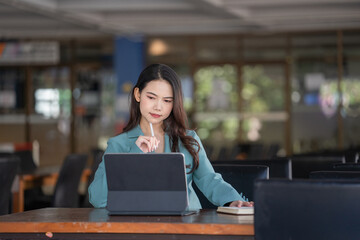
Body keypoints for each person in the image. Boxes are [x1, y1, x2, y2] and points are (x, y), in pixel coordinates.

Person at [88, 63, 254, 210]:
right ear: (138, 95)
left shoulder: (187, 139)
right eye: (151, 97)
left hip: (186, 226)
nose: (158, 107)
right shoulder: (119, 144)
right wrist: (134, 153)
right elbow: (97, 199)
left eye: (167, 100)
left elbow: (208, 179)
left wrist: (233, 201)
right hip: (139, 226)